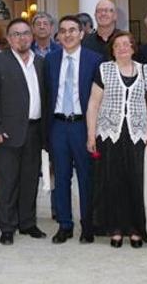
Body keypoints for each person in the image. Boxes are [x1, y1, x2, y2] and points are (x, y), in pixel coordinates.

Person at [86, 30, 147, 248]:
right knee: (112, 181)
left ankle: (135, 228)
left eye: (126, 44)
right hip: (110, 134)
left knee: (136, 181)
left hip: (137, 135)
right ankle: (115, 228)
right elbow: (93, 104)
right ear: (113, 50)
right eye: (118, 46)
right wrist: (91, 134)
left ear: (133, 47)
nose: (123, 48)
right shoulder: (104, 70)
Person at [0, 18, 47, 245]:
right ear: (9, 39)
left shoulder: (40, 62)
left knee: (30, 180)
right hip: (7, 133)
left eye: (26, 33)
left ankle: (27, 223)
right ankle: (7, 227)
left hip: (35, 130)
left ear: (32, 36)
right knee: (8, 181)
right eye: (17, 34)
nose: (22, 38)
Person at [44, 15, 103, 244]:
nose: (67, 35)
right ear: (57, 36)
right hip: (58, 125)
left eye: (72, 30)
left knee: (87, 177)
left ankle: (88, 225)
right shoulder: (50, 60)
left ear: (81, 34)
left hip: (83, 126)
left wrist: (94, 130)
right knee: (61, 177)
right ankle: (65, 224)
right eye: (63, 31)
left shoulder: (95, 59)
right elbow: (47, 94)